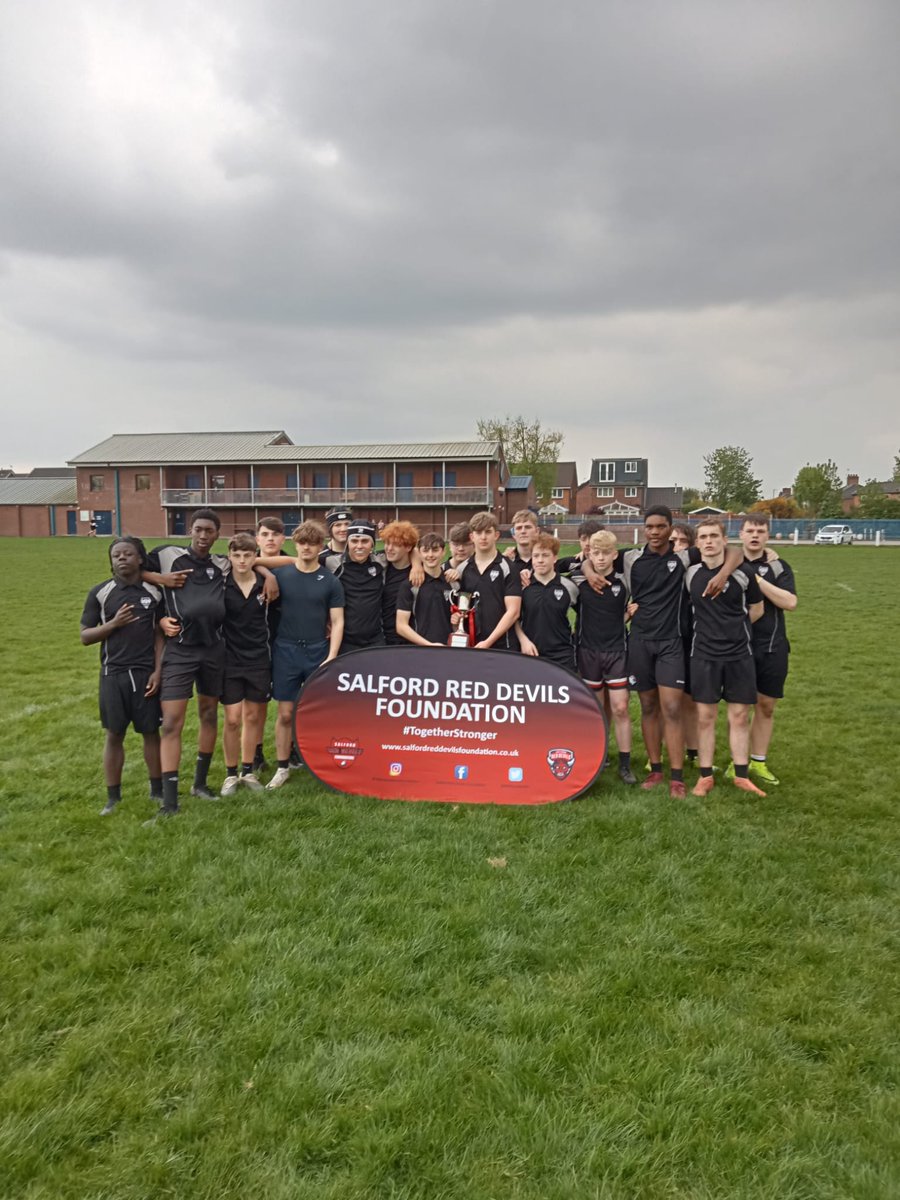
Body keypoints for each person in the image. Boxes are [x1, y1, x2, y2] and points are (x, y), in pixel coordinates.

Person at [582, 505, 742, 798]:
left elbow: (734, 552)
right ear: (644, 529)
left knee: (671, 708)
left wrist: (724, 575)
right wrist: (589, 571)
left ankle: (677, 776)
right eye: (649, 527)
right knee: (648, 707)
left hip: (671, 643)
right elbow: (588, 558)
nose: (654, 532)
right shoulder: (631, 558)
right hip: (640, 642)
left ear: (670, 528)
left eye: (660, 527)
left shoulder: (683, 558)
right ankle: (656, 770)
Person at [80, 537, 165, 815]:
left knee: (151, 732)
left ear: (140, 558)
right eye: (116, 555)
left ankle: (157, 790)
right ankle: (113, 797)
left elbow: (159, 635)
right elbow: (85, 636)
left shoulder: (154, 593)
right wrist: (114, 624)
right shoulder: (100, 593)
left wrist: (158, 671)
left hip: (145, 675)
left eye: (128, 554)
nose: (122, 558)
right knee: (114, 734)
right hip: (113, 674)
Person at [259, 520, 344, 788]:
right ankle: (283, 767)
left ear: (320, 547)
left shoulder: (330, 581)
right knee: (285, 713)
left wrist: (331, 655)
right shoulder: (282, 574)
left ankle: (318, 763)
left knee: (318, 712)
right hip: (286, 650)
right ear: (295, 545)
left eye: (312, 543)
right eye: (302, 543)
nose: (306, 548)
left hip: (318, 649)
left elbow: (338, 621)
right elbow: (249, 562)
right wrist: (269, 574)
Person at [685, 519, 765, 797]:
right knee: (706, 717)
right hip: (704, 653)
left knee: (740, 716)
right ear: (697, 543)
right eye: (703, 537)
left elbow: (756, 609)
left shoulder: (743, 573)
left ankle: (741, 775)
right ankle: (705, 775)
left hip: (739, 653)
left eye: (713, 536)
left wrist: (734, 630)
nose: (708, 541)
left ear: (723, 540)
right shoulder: (690, 573)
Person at [569, 530, 636, 784]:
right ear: (588, 553)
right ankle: (598, 755)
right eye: (595, 553)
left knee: (620, 707)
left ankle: (625, 763)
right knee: (595, 710)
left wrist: (631, 613)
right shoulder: (577, 579)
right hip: (587, 651)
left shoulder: (625, 580)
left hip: (617, 650)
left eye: (605, 553)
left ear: (614, 554)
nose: (600, 558)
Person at [737, 513, 798, 786]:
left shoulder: (778, 566)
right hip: (738, 647)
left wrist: (758, 581)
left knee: (766, 706)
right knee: (738, 710)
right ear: (740, 534)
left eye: (760, 531)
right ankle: (737, 764)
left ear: (767, 535)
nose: (755, 535)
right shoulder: (730, 563)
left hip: (772, 646)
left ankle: (758, 761)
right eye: (750, 530)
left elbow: (790, 602)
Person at [219, 532, 273, 797]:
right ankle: (230, 775)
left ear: (255, 556)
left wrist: (270, 574)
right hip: (229, 659)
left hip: (258, 658)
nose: (242, 560)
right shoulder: (220, 582)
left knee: (252, 716)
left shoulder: (265, 583)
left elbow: (289, 562)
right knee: (232, 719)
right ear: (230, 556)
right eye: (237, 555)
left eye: (247, 555)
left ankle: (248, 769)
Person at [458, 511, 522, 650]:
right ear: (472, 536)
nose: (483, 537)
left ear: (496, 535)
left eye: (488, 532)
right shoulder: (462, 569)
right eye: (479, 532)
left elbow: (514, 611)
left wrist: (488, 642)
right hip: (471, 644)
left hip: (503, 646)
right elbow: (459, 609)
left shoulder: (508, 568)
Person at [321, 520, 386, 654]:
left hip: (375, 640)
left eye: (365, 541)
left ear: (372, 544)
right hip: (345, 641)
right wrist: (266, 571)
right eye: (354, 541)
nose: (359, 546)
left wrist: (415, 565)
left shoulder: (381, 561)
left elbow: (409, 549)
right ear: (348, 543)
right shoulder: (332, 562)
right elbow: (297, 562)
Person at [515, 532, 578, 668]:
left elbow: (586, 614)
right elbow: (512, 617)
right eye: (536, 556)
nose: (540, 560)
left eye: (545, 555)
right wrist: (523, 640)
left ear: (555, 558)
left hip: (562, 656)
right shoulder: (522, 585)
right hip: (530, 653)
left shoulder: (569, 586)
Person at [670, 522, 700, 767]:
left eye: (682, 542)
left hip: (693, 640)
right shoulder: (657, 569)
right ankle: (660, 752)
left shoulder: (698, 573)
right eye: (673, 541)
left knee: (690, 700)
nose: (677, 546)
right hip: (666, 642)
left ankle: (693, 750)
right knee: (665, 702)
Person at [396, 533, 455, 646]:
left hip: (447, 650)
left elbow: (457, 619)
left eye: (435, 550)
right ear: (419, 553)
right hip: (419, 651)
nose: (430, 555)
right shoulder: (410, 585)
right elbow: (401, 626)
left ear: (443, 551)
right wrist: (429, 645)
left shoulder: (453, 584)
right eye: (426, 550)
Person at [380, 520, 420, 645]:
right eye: (387, 543)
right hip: (383, 639)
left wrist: (417, 565)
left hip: (411, 640)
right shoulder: (381, 567)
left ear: (408, 547)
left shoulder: (419, 572)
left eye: (396, 545)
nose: (389, 549)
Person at [504, 509, 540, 575]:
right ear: (513, 533)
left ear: (537, 531)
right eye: (519, 528)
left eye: (528, 527)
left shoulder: (545, 560)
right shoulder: (505, 562)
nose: (523, 531)